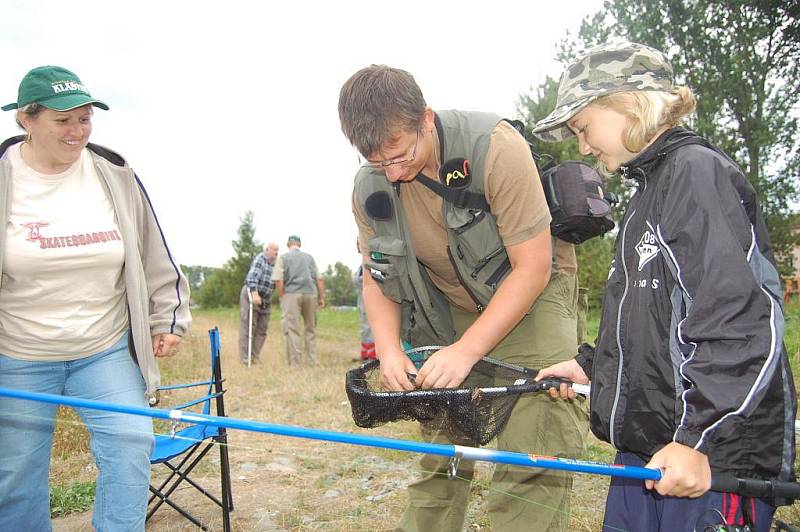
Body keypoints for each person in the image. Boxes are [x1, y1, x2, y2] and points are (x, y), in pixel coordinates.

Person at [533, 42, 797, 531]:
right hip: (647, 453)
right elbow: (649, 318)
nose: (584, 147)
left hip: (707, 461)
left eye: (583, 128)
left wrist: (697, 440)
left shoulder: (697, 175)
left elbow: (739, 324)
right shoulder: (644, 195)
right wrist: (592, 366)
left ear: (628, 102)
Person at [338, 65, 587, 532]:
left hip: (531, 292)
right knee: (442, 451)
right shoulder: (370, 188)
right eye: (377, 162)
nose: (392, 171)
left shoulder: (495, 147)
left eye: (399, 153)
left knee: (531, 450)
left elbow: (533, 266)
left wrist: (467, 352)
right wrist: (389, 349)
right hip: (446, 306)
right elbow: (377, 276)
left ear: (425, 119)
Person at [0, 66, 191, 531]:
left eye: (85, 118)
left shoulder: (113, 171)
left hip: (101, 350)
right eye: (63, 120)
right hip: (18, 353)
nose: (77, 131)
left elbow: (153, 251)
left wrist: (166, 316)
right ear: (27, 118)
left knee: (130, 441)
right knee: (16, 477)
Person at [273, 235, 324, 365]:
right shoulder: (309, 258)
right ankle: (311, 361)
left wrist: (282, 296)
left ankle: (295, 362)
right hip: (310, 293)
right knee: (310, 328)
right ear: (299, 244)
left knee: (292, 328)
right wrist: (321, 297)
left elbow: (279, 280)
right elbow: (319, 279)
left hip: (291, 294)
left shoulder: (283, 258)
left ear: (288, 244)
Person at [239, 242, 279, 365]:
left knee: (262, 329)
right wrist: (255, 294)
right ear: (267, 250)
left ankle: (255, 356)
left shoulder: (277, 264)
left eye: (278, 250)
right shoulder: (260, 259)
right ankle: (245, 358)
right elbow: (251, 278)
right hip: (252, 293)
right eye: (274, 250)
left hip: (266, 299)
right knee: (249, 326)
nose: (277, 252)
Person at [353, 264, 375, 360]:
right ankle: (365, 352)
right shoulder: (361, 266)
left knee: (371, 327)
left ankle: (372, 353)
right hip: (362, 300)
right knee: (365, 327)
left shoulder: (370, 263)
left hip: (371, 299)